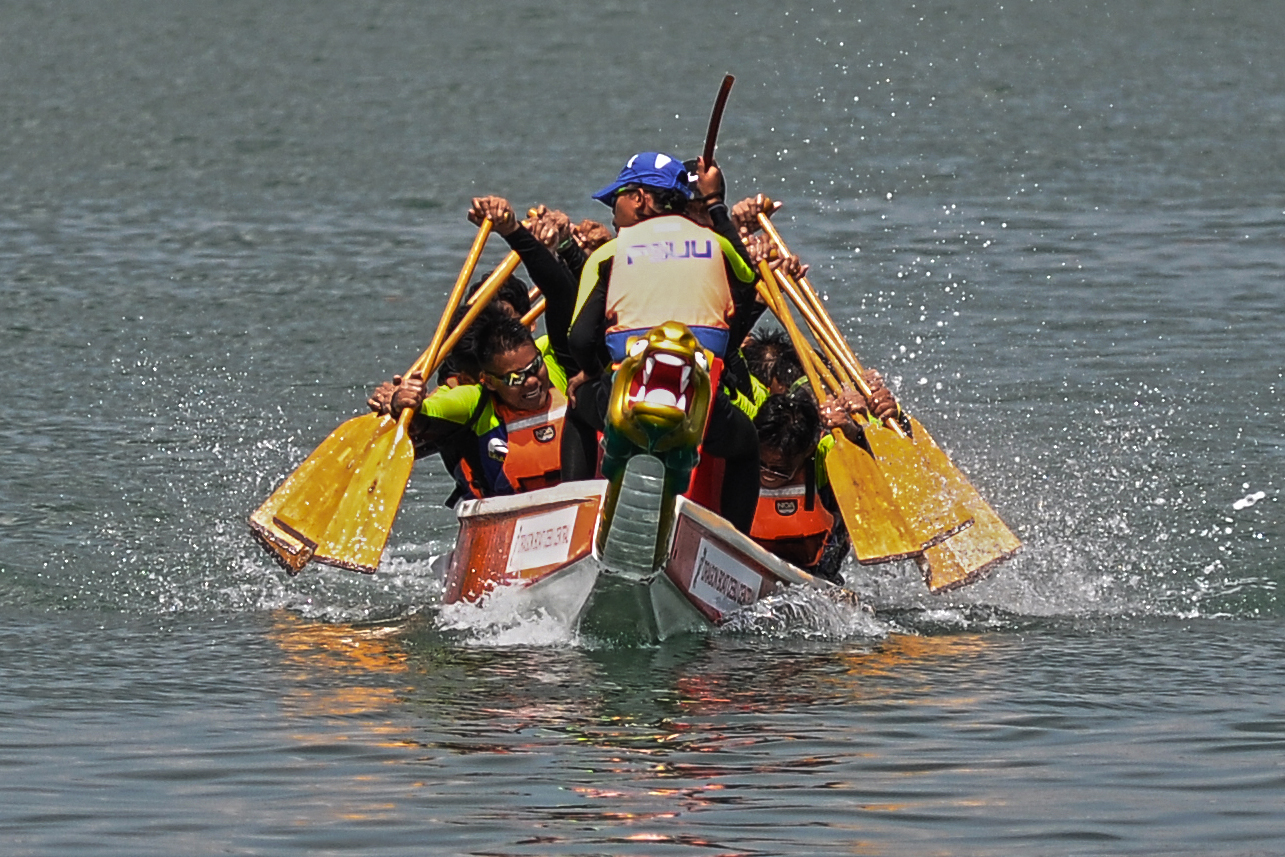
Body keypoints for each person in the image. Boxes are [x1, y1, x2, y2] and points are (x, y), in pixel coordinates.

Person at [562, 151, 762, 533]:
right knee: (745, 446)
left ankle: (573, 521)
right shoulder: (716, 244)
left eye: (616, 199)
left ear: (639, 198)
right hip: (696, 396)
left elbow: (580, 338)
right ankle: (734, 541)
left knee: (577, 407)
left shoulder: (608, 253)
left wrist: (589, 373)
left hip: (627, 389)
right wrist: (716, 204)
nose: (612, 213)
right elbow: (749, 280)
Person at [387, 313, 570, 500]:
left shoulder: (556, 363)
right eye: (515, 378)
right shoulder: (472, 400)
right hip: (506, 508)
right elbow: (423, 414)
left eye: (535, 366)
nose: (531, 381)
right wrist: (402, 401)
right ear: (489, 381)